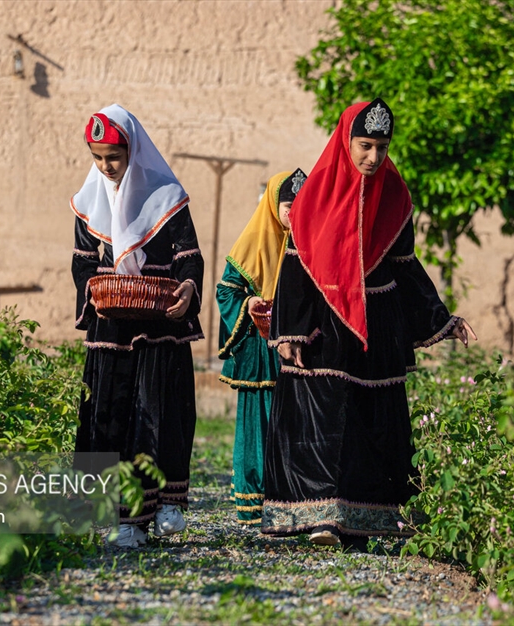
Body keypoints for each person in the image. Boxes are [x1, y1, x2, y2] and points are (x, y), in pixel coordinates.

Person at [260, 98, 476, 552]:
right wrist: (289, 332)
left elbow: (406, 267)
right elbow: (295, 268)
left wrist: (441, 318)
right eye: (364, 146)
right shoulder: (313, 196)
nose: (373, 158)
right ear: (346, 140)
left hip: (377, 327)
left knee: (368, 424)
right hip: (322, 329)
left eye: (381, 147)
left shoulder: (396, 198)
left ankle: (362, 522)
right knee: (321, 420)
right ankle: (321, 519)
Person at [71, 105, 204, 548]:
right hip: (110, 333)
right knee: (109, 417)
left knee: (158, 415)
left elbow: (190, 257)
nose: (107, 167)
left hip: (159, 328)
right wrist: (91, 290)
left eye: (114, 156)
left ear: (133, 150)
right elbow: (83, 262)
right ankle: (118, 520)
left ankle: (164, 505)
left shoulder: (166, 197)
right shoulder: (88, 204)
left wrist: (187, 289)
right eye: (98, 157)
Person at [216, 168, 306, 527]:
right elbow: (226, 291)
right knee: (257, 424)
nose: (293, 212)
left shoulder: (312, 241)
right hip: (260, 346)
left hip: (299, 349)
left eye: (300, 204)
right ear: (273, 205)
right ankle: (253, 501)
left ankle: (294, 500)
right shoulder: (252, 242)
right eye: (287, 205)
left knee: (296, 424)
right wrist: (250, 303)